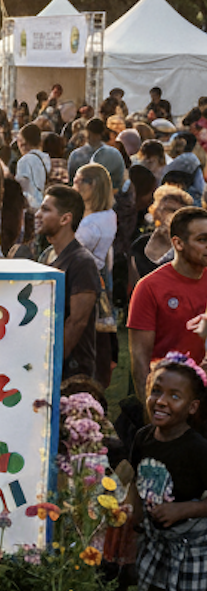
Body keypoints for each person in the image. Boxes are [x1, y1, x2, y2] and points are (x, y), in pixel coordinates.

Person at [124, 354, 207, 591]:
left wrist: (182, 509)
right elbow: (136, 479)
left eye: (175, 396)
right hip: (154, 542)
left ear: (192, 407)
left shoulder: (198, 449)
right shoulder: (143, 438)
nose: (161, 401)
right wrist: (131, 513)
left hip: (191, 548)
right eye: (156, 391)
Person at [130, 207, 207, 400]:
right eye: (202, 240)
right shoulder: (149, 288)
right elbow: (140, 360)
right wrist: (148, 409)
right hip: (169, 399)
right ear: (178, 243)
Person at [34, 185, 103, 381]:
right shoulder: (47, 255)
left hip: (71, 371)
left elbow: (77, 322)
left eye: (46, 210)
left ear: (65, 219)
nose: (38, 215)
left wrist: (49, 364)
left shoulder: (82, 262)